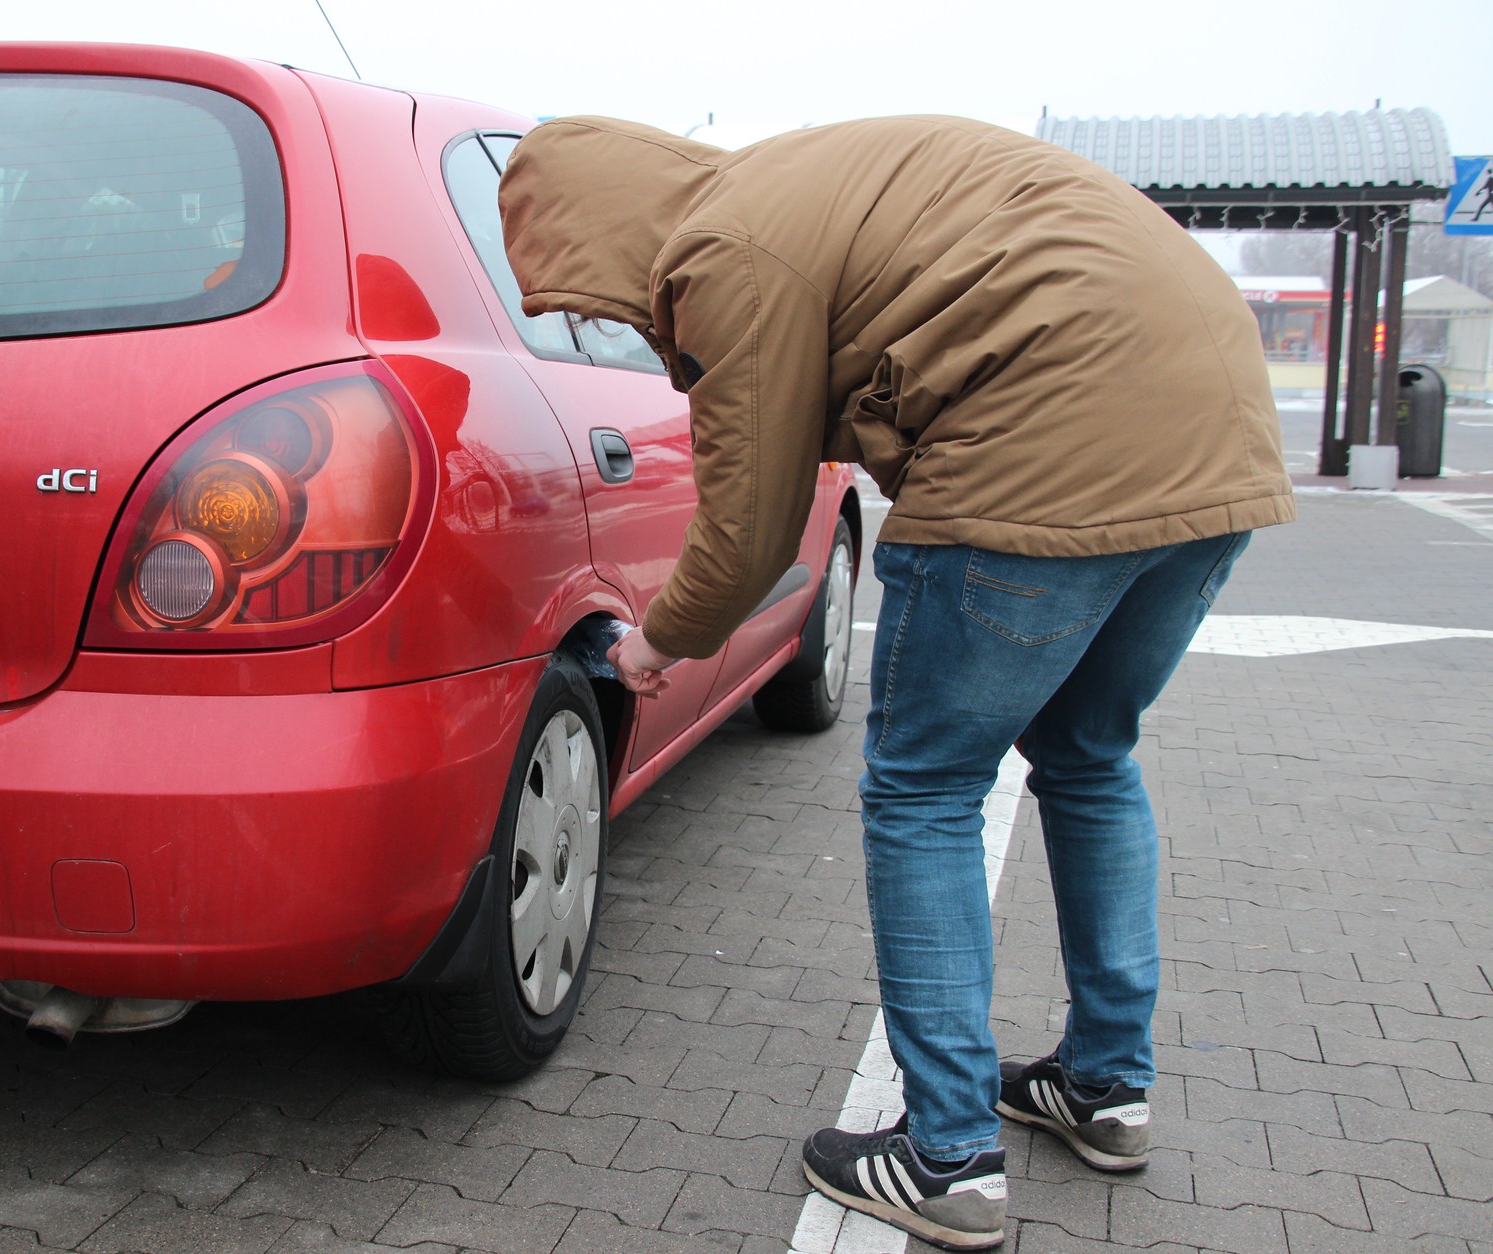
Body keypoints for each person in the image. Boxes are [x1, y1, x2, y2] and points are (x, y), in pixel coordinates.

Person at [500, 114, 1292, 1251]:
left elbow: (752, 525)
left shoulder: (720, 249)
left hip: (1040, 440)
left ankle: (946, 1156)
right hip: (1216, 430)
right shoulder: (791, 189)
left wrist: (653, 644)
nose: (610, 321)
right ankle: (1105, 1087)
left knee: (923, 789)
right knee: (1087, 756)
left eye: (588, 299)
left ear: (593, 227)